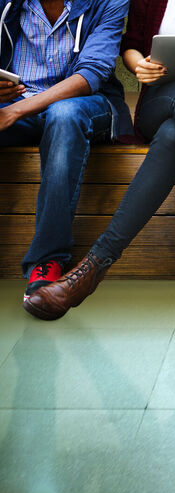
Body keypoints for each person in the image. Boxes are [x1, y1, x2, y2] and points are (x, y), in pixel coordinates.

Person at [22, 0, 175, 321]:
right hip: (161, 98)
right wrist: (139, 66)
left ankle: (92, 268)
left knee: (171, 135)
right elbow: (131, 45)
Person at [0, 0, 130, 301]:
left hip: (86, 104)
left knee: (63, 114)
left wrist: (15, 111)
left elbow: (92, 74)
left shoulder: (110, 2)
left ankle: (46, 260)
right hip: (17, 103)